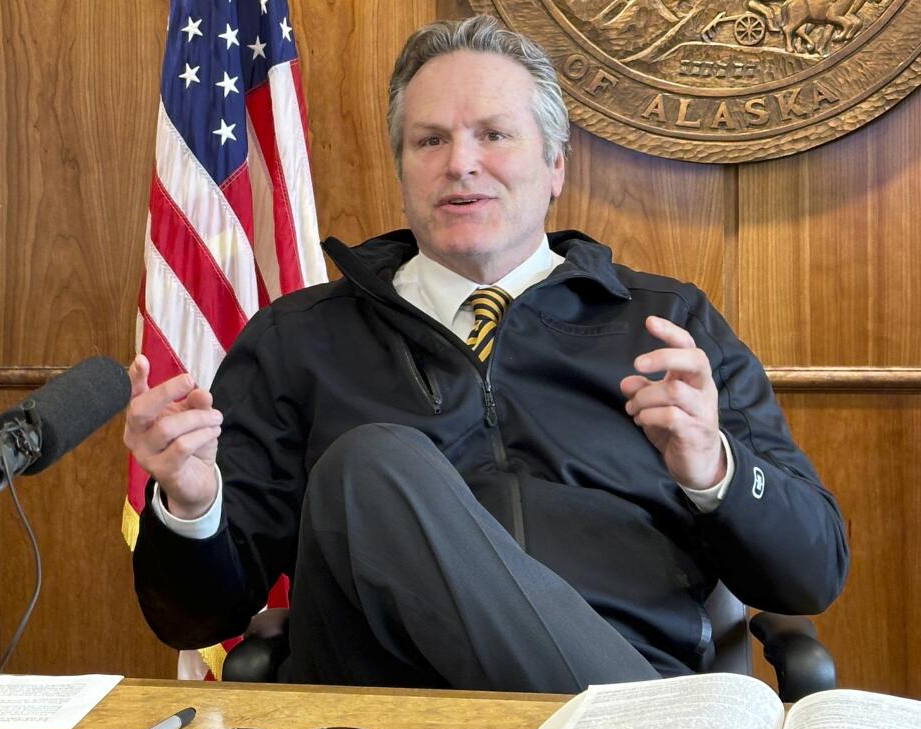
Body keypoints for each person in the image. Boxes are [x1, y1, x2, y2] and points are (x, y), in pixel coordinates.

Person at [124, 15, 848, 692]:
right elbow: (195, 618)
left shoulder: (665, 325)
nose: (461, 164)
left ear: (555, 164)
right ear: (402, 168)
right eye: (430, 141)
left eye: (494, 135)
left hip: (621, 675)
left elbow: (811, 574)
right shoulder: (301, 338)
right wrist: (192, 509)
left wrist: (715, 472)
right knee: (370, 467)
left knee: (372, 463)